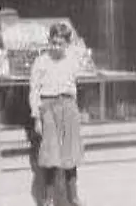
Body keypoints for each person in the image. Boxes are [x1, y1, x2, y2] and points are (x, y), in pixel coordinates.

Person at [29, 23, 86, 206]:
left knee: (71, 154)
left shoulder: (72, 60)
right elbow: (34, 91)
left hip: (68, 105)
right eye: (53, 42)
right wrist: (37, 118)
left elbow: (81, 52)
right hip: (48, 106)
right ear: (49, 41)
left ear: (67, 44)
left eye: (60, 43)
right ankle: (48, 199)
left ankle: (73, 198)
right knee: (51, 155)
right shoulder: (41, 62)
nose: (56, 47)